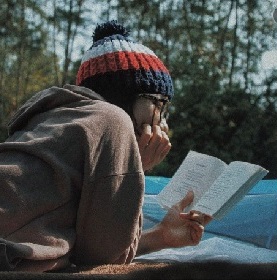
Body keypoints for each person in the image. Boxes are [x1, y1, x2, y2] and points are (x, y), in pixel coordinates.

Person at [0, 20, 211, 272]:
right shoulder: (112, 119)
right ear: (126, 95)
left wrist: (161, 236)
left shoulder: (54, 119)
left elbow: (88, 247)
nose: (163, 120)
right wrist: (137, 169)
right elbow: (105, 258)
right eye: (159, 103)